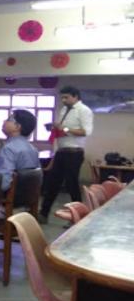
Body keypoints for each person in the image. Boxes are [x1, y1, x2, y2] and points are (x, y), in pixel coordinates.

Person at [38, 86, 93, 224]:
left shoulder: (84, 110)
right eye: (62, 97)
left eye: (66, 97)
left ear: (75, 96)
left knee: (71, 185)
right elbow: (61, 130)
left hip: (74, 153)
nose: (63, 100)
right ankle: (43, 214)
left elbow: (86, 131)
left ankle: (78, 217)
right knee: (52, 183)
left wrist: (65, 128)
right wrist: (54, 127)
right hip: (61, 151)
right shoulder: (63, 110)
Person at [0, 109, 40, 192]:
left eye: (8, 119)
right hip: (25, 195)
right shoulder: (33, 149)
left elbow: (3, 184)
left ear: (17, 127)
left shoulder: (9, 149)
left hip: (0, 196)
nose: (4, 121)